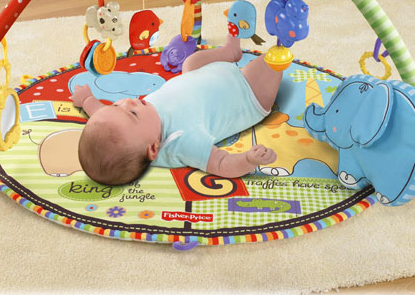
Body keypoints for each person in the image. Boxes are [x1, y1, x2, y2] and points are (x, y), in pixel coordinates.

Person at [72, 34, 282, 186]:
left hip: (198, 75)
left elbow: (103, 116)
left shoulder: (130, 130)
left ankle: (229, 52)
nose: (127, 102)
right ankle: (283, 43)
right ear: (153, 148)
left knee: (191, 62)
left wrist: (87, 100)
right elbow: (221, 163)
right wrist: (248, 160)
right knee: (274, 59)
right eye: (132, 113)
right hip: (246, 93)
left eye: (117, 105)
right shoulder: (181, 143)